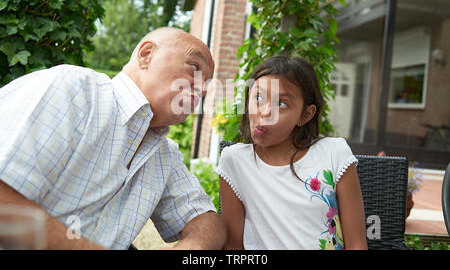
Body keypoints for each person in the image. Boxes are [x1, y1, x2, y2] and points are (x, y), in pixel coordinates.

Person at [0, 27, 226, 250]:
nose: (203, 90)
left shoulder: (163, 153)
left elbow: (208, 222)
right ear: (146, 54)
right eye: (194, 67)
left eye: (207, 83)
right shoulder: (73, 90)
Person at [218, 56, 367, 250]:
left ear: (305, 115)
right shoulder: (235, 161)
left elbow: (357, 244)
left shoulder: (333, 153)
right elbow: (233, 246)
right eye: (258, 98)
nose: (264, 112)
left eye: (281, 104)